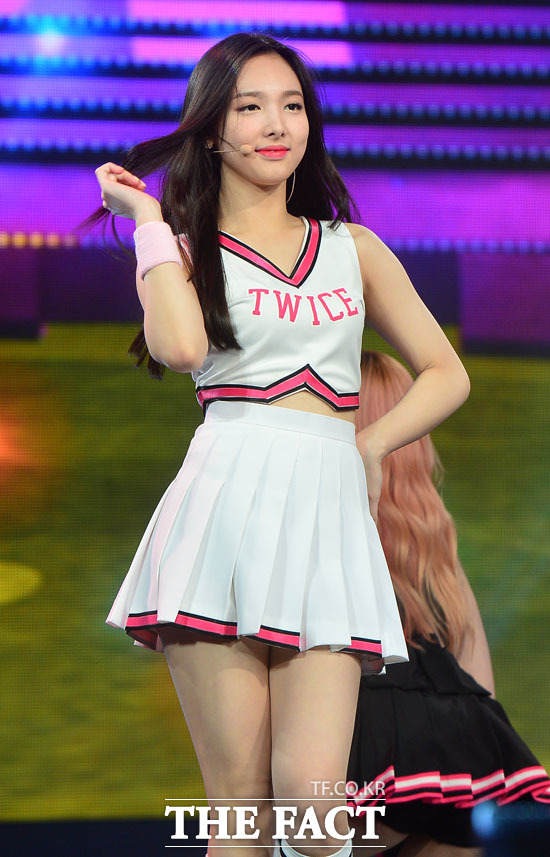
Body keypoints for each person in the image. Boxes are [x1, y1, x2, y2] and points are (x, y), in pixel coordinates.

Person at [93, 33, 470, 857]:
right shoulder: (182, 251)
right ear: (211, 131)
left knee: (312, 804)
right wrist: (150, 224)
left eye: (292, 105)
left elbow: (446, 373)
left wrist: (372, 444)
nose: (276, 124)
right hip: (224, 512)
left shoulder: (352, 248)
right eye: (251, 107)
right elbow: (180, 348)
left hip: (327, 521)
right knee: (241, 810)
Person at [347, 351, 550, 857]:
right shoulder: (436, 550)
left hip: (359, 774)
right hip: (459, 771)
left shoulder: (321, 533)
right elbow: (481, 686)